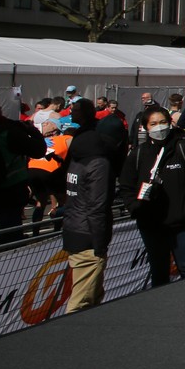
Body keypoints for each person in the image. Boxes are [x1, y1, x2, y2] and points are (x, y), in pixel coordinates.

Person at [119, 106, 185, 288]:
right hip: (151, 224)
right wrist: (136, 208)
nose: (159, 127)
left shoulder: (184, 148)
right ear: (146, 127)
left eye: (162, 122)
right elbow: (126, 186)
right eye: (153, 124)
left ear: (170, 123)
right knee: (159, 272)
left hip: (182, 222)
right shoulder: (138, 154)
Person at [61, 113, 127, 311]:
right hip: (89, 236)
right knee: (80, 303)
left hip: (73, 228)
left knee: (91, 299)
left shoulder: (78, 157)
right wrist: (99, 244)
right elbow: (97, 207)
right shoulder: (99, 164)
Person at [0, 98, 47, 246]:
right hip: (10, 189)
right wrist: (33, 132)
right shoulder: (9, 130)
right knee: (10, 234)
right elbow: (38, 151)